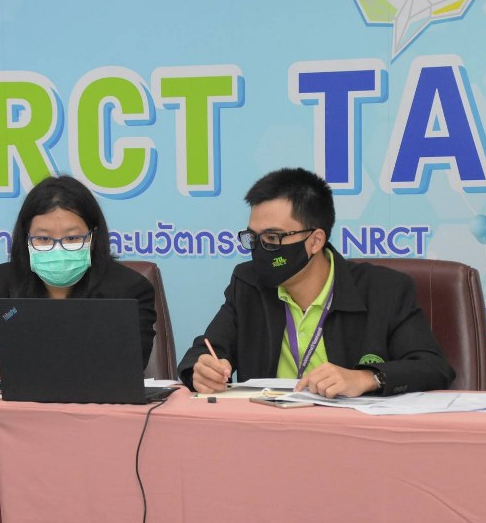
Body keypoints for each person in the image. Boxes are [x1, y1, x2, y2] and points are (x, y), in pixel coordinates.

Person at [178, 168, 455, 396]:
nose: (260, 249)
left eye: (273, 238)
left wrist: (366, 378)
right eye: (254, 237)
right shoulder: (249, 283)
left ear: (315, 241)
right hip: (269, 432)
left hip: (352, 434)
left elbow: (433, 367)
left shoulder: (384, 289)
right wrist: (201, 371)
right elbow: (204, 351)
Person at [0, 176, 156, 385]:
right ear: (25, 239)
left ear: (93, 238)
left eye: (72, 239)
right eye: (43, 239)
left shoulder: (128, 290)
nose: (58, 248)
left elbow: (125, 364)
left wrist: (14, 363)